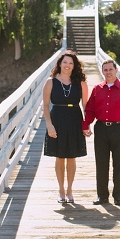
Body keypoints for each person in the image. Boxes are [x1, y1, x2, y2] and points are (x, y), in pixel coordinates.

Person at [82, 59, 120, 206]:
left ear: (116, 70)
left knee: (119, 163)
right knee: (101, 163)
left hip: (119, 129)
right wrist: (86, 124)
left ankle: (118, 196)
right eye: (105, 70)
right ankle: (102, 196)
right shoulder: (97, 89)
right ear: (102, 71)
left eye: (110, 69)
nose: (108, 72)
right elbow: (90, 109)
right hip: (101, 129)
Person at [43, 50, 89, 203]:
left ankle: (70, 189)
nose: (67, 65)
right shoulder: (50, 82)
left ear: (74, 65)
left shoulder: (81, 83)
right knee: (59, 156)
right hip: (57, 119)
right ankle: (61, 190)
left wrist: (86, 125)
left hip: (75, 119)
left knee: (71, 157)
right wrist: (49, 125)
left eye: (71, 63)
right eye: (65, 62)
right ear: (60, 64)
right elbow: (46, 105)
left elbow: (86, 106)